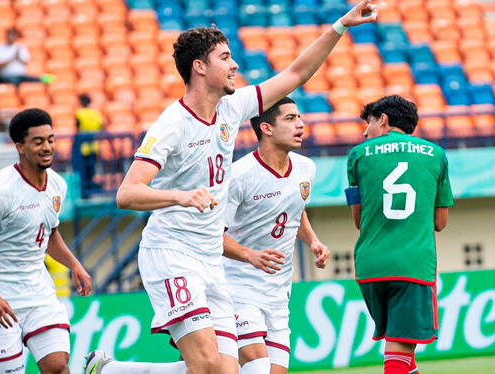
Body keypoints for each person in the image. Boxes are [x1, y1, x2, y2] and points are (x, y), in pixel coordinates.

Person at [84, 2, 377, 374]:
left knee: (224, 371)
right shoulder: (171, 125)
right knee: (206, 364)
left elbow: (297, 73)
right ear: (200, 67)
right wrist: (180, 196)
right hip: (172, 252)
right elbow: (127, 193)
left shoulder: (231, 108)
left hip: (210, 261)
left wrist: (340, 25)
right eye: (225, 57)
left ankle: (111, 370)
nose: (234, 64)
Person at [0, 108, 92, 374]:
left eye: (50, 139)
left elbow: (49, 234)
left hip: (39, 294)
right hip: (0, 299)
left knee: (58, 367)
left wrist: (75, 265)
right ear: (20, 147)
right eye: (38, 142)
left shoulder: (57, 185)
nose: (47, 147)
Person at [345, 96, 454, 374]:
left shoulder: (358, 155)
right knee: (400, 346)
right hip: (412, 264)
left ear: (383, 119)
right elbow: (440, 223)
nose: (365, 131)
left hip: (369, 266)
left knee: (404, 351)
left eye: (367, 122)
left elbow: (359, 220)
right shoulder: (436, 154)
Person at [222, 97, 331, 374]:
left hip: (279, 290)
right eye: (291, 118)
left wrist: (313, 241)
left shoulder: (306, 168)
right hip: (237, 286)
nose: (301, 124)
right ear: (267, 128)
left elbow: (295, 209)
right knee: (257, 365)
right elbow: (211, 236)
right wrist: (249, 255)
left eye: (300, 118)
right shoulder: (239, 175)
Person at [74, 94, 104, 197]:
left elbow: (77, 128)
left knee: (83, 170)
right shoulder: (96, 113)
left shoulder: (79, 113)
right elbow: (101, 127)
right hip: (94, 145)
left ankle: (85, 192)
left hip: (83, 146)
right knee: (92, 169)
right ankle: (91, 189)